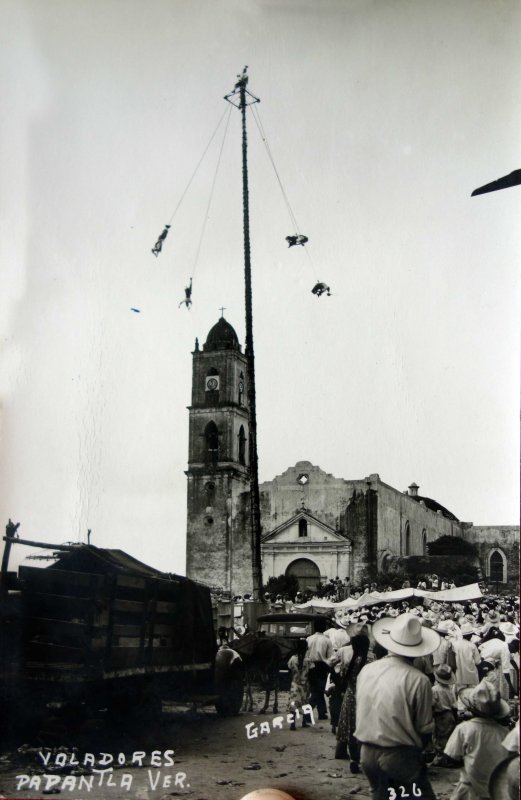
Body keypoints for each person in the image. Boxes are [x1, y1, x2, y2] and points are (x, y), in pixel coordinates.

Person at [354, 612, 441, 800]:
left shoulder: (367, 671)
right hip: (399, 752)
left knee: (380, 794)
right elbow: (425, 729)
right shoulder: (419, 680)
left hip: (367, 752)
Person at [444, 679, 510, 799]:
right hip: (496, 791)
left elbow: (451, 757)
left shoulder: (464, 729)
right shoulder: (504, 733)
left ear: (471, 708)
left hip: (470, 790)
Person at [335, 634, 370, 773]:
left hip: (350, 696)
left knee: (350, 728)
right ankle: (363, 759)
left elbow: (342, 675)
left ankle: (353, 759)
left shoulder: (351, 661)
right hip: (364, 697)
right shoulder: (368, 662)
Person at [306, 616, 333, 719]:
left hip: (310, 666)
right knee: (319, 690)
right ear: (324, 627)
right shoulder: (327, 640)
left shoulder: (309, 639)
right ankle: (307, 713)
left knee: (315, 689)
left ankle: (322, 712)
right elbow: (330, 658)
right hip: (322, 666)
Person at [431, 664, 458, 766]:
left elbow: (432, 704)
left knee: (440, 737)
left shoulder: (434, 690)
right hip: (450, 714)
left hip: (440, 715)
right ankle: (450, 756)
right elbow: (454, 705)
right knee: (449, 735)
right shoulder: (449, 690)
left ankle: (441, 758)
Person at [287, 638, 312, 729]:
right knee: (305, 703)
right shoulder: (308, 660)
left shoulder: (293, 659)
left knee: (293, 703)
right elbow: (311, 672)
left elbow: (290, 669)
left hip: (294, 684)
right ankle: (304, 722)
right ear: (306, 648)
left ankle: (292, 724)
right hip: (304, 685)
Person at [451, 622, 481, 692]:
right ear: (470, 635)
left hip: (459, 674)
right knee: (472, 693)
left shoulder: (454, 644)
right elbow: (478, 662)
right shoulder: (472, 645)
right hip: (471, 674)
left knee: (460, 694)